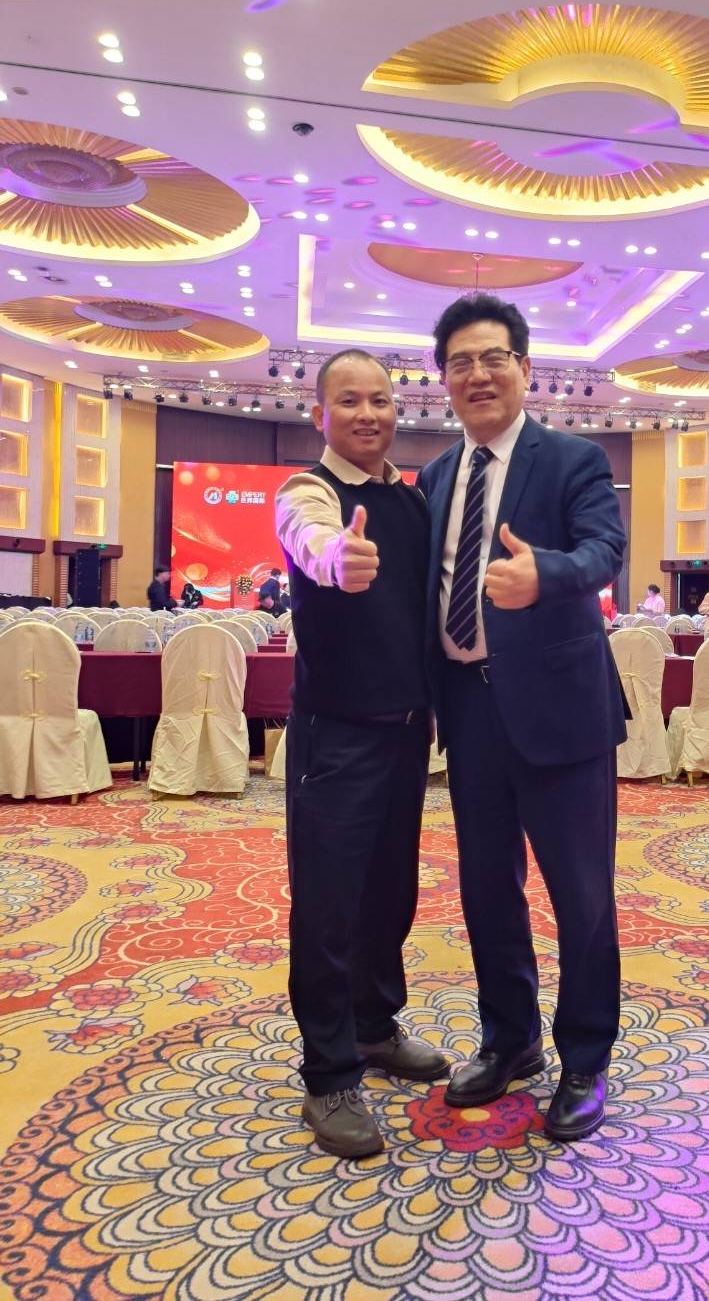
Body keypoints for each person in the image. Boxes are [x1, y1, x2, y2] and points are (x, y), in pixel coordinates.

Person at [418, 292, 627, 1143]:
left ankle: (585, 1059)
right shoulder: (436, 476)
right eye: (460, 362)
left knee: (581, 894)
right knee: (487, 890)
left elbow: (605, 549)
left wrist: (547, 574)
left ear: (525, 368)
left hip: (563, 713)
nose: (478, 374)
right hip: (469, 709)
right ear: (443, 379)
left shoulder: (573, 459)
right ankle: (511, 1041)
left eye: (493, 358)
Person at [275, 349, 449, 1160]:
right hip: (336, 734)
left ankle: (375, 1028)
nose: (369, 414)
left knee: (389, 894)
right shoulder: (307, 492)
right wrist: (335, 560)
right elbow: (309, 538)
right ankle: (329, 1075)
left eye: (380, 400)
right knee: (328, 908)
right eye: (349, 401)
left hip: (407, 729)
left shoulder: (410, 503)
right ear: (321, 414)